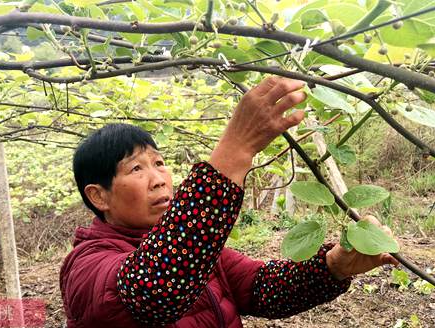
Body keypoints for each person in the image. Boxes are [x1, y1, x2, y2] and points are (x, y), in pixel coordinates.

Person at [60, 77, 398, 327]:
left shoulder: (203, 253)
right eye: (136, 168)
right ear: (98, 195)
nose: (159, 178)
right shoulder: (86, 266)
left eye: (159, 163)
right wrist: (236, 150)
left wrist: (332, 266)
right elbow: (154, 289)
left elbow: (262, 288)